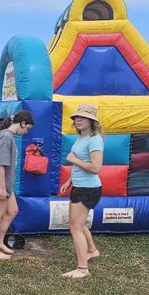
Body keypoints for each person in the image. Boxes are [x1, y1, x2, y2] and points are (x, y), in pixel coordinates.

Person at [59, 104, 104, 278]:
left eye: (82, 117)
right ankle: (92, 250)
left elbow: (95, 168)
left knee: (75, 226)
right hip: (79, 185)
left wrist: (73, 160)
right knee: (79, 223)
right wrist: (69, 181)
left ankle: (82, 269)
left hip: (88, 188)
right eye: (76, 117)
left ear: (91, 121)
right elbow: (80, 164)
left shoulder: (95, 140)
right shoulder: (81, 137)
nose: (78, 119)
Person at [0, 110, 35, 260]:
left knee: (12, 210)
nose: (26, 132)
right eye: (27, 129)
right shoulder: (6, 137)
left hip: (6, 183)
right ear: (22, 123)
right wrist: (2, 188)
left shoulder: (8, 136)